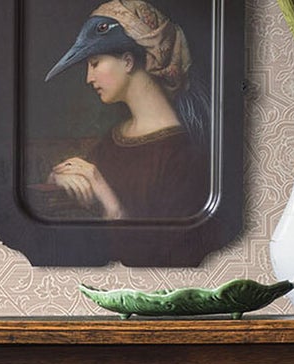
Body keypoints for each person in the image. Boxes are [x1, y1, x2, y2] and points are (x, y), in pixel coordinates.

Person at [42, 0, 210, 221]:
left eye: (95, 63)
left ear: (128, 61)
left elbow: (168, 239)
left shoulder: (184, 155)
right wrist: (57, 180)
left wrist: (112, 206)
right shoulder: (111, 142)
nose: (88, 78)